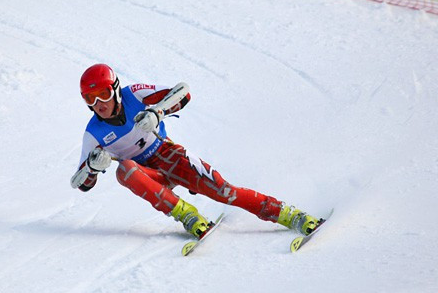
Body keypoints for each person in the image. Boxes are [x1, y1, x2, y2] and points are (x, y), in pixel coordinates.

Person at [70, 63, 321, 239]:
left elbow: (182, 91)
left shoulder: (134, 94)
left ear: (114, 89)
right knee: (123, 170)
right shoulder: (93, 133)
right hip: (149, 176)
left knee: (226, 193)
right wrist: (93, 166)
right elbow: (80, 183)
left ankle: (289, 214)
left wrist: (158, 112)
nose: (98, 104)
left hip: (170, 157)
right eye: (90, 98)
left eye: (102, 94)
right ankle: (187, 215)